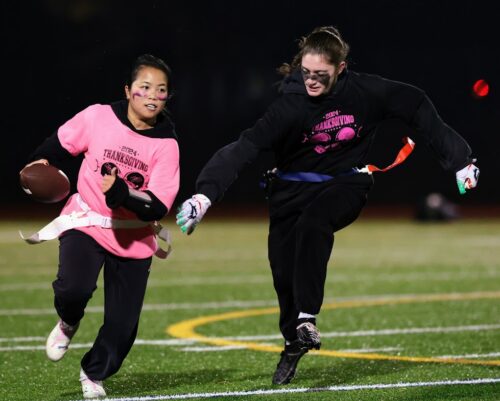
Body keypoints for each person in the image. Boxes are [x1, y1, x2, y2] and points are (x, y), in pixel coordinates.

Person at [175, 26, 480, 385]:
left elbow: (416, 103)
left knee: (314, 222)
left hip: (345, 184)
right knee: (284, 276)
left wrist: (460, 160)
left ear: (341, 68)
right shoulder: (290, 106)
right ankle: (294, 341)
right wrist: (204, 195)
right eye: (306, 73)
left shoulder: (364, 91)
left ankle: (308, 318)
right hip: (290, 192)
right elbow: (244, 148)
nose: (311, 81)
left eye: (321, 74)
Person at [22, 54, 180, 398]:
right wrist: (39, 164)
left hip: (132, 236)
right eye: (145, 87)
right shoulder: (98, 116)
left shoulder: (167, 145)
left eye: (161, 90)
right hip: (88, 221)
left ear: (168, 97)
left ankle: (93, 372)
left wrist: (122, 193)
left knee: (123, 326)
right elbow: (58, 145)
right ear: (127, 90)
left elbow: (157, 206)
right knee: (72, 289)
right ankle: (69, 319)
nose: (152, 95)